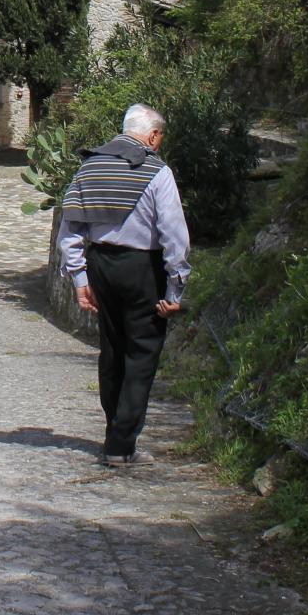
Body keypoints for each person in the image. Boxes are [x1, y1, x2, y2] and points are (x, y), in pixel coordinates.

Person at [55, 104, 190, 466]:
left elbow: (70, 230)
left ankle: (113, 430)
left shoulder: (89, 166)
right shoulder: (158, 172)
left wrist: (80, 278)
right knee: (142, 352)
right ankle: (121, 443)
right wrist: (174, 291)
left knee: (112, 350)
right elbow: (174, 236)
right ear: (153, 135)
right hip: (143, 267)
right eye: (160, 137)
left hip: (101, 263)